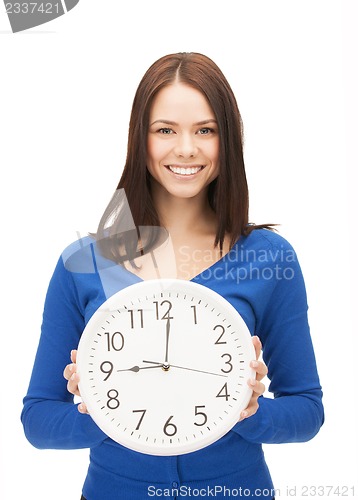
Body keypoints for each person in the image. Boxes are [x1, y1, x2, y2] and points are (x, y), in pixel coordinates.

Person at [21, 52, 324, 500]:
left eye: (206, 130)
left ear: (229, 141)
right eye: (165, 130)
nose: (186, 148)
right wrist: (103, 408)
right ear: (140, 140)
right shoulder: (84, 263)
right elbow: (39, 421)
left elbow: (307, 411)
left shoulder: (269, 258)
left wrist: (250, 410)